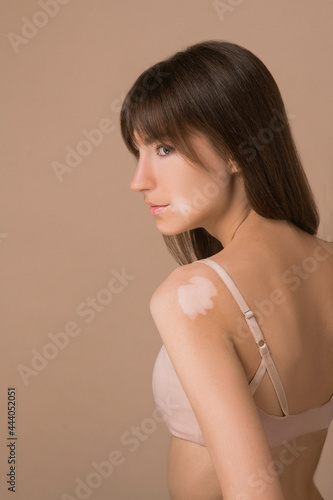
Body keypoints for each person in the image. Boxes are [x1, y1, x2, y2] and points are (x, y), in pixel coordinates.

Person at [120, 40, 333, 500]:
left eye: (165, 148)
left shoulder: (192, 296)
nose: (139, 181)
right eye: (138, 152)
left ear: (238, 150)